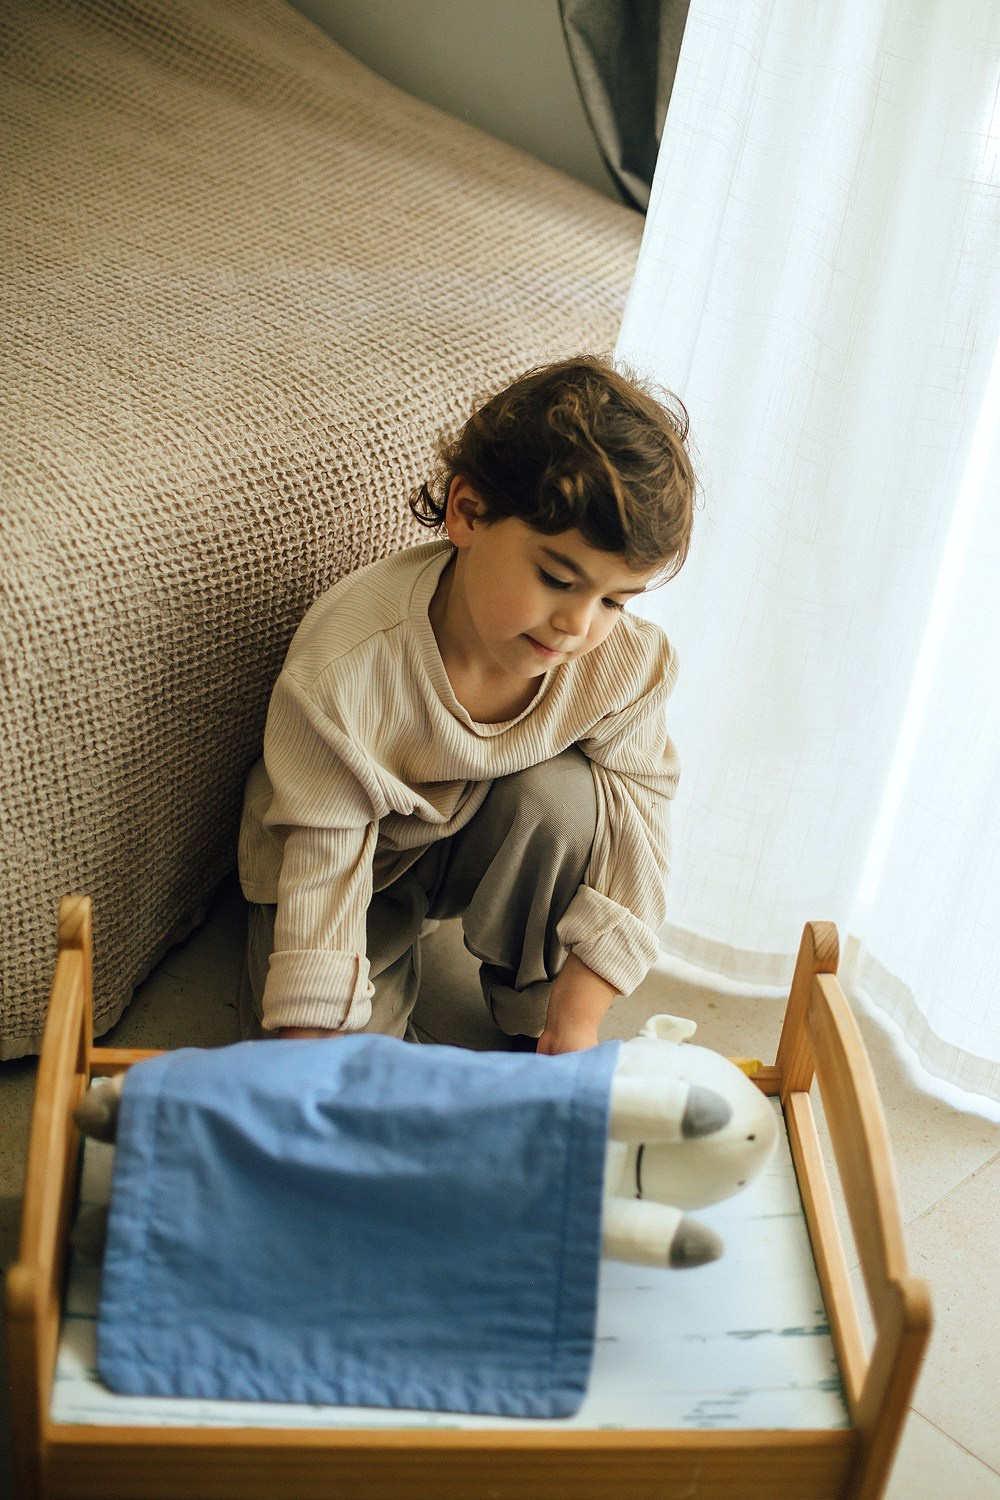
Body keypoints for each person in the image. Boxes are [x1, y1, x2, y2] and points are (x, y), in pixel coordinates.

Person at [237, 355, 696, 1054]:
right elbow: (323, 861)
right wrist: (313, 1046)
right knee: (339, 1069)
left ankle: (529, 1014)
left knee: (572, 799)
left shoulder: (623, 660)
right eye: (555, 578)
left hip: (468, 821)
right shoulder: (347, 667)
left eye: (613, 600)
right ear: (466, 513)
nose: (579, 624)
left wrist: (576, 1017)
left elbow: (638, 819)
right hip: (344, 854)